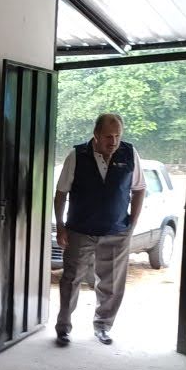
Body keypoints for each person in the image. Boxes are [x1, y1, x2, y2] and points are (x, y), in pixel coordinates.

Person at [54, 112, 146, 346]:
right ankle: (63, 327)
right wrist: (61, 226)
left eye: (117, 136)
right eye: (108, 136)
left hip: (116, 231)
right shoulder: (77, 155)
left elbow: (139, 189)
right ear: (96, 134)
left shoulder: (130, 153)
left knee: (111, 284)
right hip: (80, 230)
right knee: (71, 279)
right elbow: (61, 193)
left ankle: (103, 326)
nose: (113, 141)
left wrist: (132, 224)